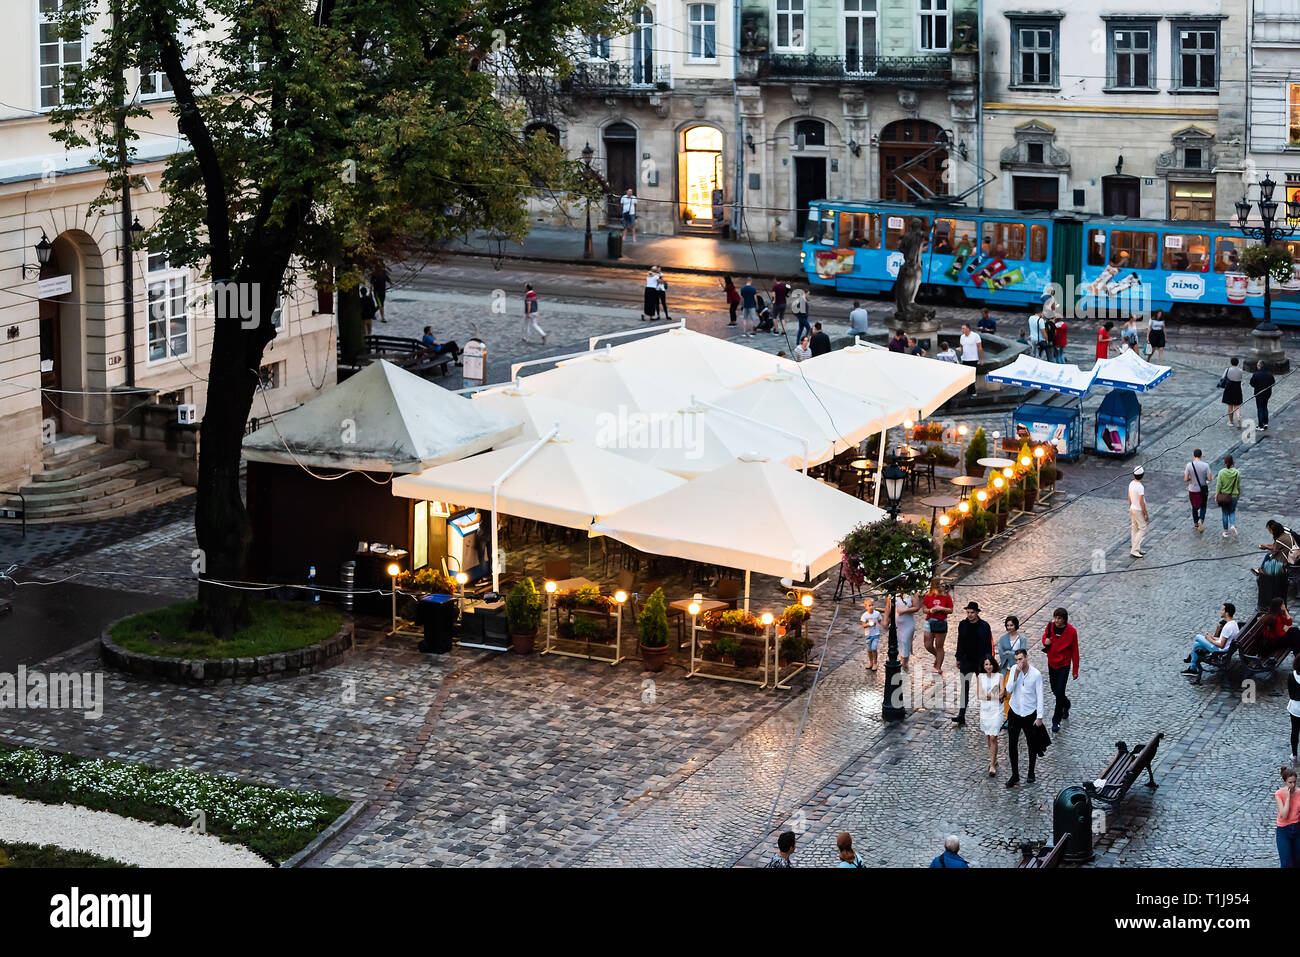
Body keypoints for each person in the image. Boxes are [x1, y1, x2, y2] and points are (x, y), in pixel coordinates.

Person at [1004, 647, 1044, 787]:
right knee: (1012, 744)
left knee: (1031, 744)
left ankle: (1031, 772)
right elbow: (1008, 690)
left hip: (1029, 714)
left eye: (1020, 659)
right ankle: (1015, 775)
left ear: (1026, 658)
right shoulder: (1014, 670)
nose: (1019, 662)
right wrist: (1015, 674)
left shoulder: (1036, 674)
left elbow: (1040, 696)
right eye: (1016, 660)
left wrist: (1039, 717)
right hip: (1015, 712)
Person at [954, 601, 993, 726]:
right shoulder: (963, 624)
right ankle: (961, 715)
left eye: (972, 612)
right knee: (964, 688)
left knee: (983, 688)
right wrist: (958, 658)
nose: (969, 615)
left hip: (980, 661)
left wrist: (988, 661)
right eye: (968, 612)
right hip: (966, 660)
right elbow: (960, 641)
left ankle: (986, 714)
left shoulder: (984, 626)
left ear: (977, 613)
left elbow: (988, 644)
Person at [1040, 607, 1079, 733]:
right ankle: (1066, 704)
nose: (1056, 620)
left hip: (1064, 665)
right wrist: (1045, 642)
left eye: (1059, 618)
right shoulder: (1050, 627)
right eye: (1055, 617)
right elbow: (1045, 639)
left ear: (1064, 619)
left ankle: (1055, 721)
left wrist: (1075, 670)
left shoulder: (1071, 632)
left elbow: (1075, 651)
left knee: (1060, 691)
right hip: (1052, 663)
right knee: (1055, 690)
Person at [1181, 602, 1239, 678]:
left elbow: (1221, 645)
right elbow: (1224, 639)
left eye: (1222, 610)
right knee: (1196, 645)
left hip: (1219, 651)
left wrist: (1209, 639)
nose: (1221, 611)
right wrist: (1212, 637)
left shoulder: (1227, 627)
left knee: (1198, 637)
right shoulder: (1233, 624)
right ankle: (1192, 668)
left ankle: (1192, 660)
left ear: (1227, 613)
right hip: (1226, 649)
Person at [978, 655, 1004, 776]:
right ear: (983, 666)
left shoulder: (1000, 676)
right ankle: (994, 758)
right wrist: (994, 695)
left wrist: (989, 695)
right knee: (989, 737)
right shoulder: (980, 677)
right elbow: (980, 695)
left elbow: (1002, 693)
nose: (988, 666)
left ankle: (992, 764)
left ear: (994, 665)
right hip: (985, 710)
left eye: (990, 664)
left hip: (996, 710)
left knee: (994, 736)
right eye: (986, 664)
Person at [922, 580, 953, 674]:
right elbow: (924, 609)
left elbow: (950, 610)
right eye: (940, 585)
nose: (942, 587)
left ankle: (938, 666)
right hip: (929, 621)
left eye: (943, 585)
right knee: (928, 645)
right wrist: (930, 610)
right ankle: (937, 656)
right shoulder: (928, 595)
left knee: (939, 646)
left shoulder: (947, 597)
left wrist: (941, 609)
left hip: (941, 622)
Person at [1183, 448, 1213, 533]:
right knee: (1203, 505)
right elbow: (1210, 478)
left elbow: (1185, 479)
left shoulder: (1189, 465)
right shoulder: (1206, 465)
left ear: (1193, 456)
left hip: (1192, 489)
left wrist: (1191, 479)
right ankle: (1201, 519)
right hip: (1202, 489)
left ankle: (1196, 523)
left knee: (1194, 506)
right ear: (1201, 456)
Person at [1276, 767, 1300, 869]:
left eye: (1294, 782)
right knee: (1286, 863)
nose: (1293, 785)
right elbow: (1284, 815)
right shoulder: (1279, 794)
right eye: (1290, 782)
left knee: (1298, 861)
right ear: (1285, 782)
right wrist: (1288, 798)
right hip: (1283, 830)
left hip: (1297, 829)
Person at [1213, 453, 1241, 539]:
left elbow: (1219, 486)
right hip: (1234, 496)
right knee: (1232, 512)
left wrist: (1216, 495)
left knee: (1224, 513)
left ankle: (1225, 531)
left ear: (1225, 462)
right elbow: (1238, 485)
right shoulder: (1237, 473)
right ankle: (1232, 525)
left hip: (1224, 496)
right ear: (1233, 462)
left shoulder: (1221, 473)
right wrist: (1238, 494)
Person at [894, 592, 920, 672]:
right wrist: (885, 619)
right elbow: (888, 607)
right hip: (897, 623)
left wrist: (905, 610)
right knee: (899, 643)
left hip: (908, 623)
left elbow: (916, 607)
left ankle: (904, 663)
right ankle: (902, 662)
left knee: (905, 642)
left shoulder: (912, 593)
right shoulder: (894, 592)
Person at [1128, 465, 1149, 558]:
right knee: (1143, 528)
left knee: (1134, 528)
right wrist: (1145, 513)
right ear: (1142, 475)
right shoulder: (1140, 487)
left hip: (1132, 508)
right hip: (1138, 510)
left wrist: (1131, 506)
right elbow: (1141, 502)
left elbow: (1129, 496)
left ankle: (1136, 547)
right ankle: (1134, 549)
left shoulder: (1131, 483)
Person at [959, 323, 983, 395]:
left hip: (973, 359)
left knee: (972, 376)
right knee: (967, 376)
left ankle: (972, 392)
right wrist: (960, 349)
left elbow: (980, 348)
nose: (962, 330)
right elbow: (961, 346)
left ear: (968, 329)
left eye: (963, 328)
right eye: (962, 328)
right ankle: (970, 391)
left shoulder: (975, 336)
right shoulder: (962, 337)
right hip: (965, 359)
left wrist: (981, 359)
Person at [1251, 361, 1276, 431]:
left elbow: (1252, 383)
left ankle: (1260, 425)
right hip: (1267, 393)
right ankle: (1265, 423)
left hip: (1259, 393)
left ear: (1259, 366)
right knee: (1265, 407)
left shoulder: (1256, 374)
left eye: (1257, 366)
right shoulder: (1269, 373)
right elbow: (1273, 382)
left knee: (1260, 408)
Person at [861, 596, 884, 672]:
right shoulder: (865, 615)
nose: (871, 607)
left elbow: (880, 621)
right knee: (869, 649)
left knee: (874, 648)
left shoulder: (877, 614)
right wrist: (869, 624)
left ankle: (875, 662)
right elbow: (863, 625)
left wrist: (884, 624)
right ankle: (870, 662)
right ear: (866, 607)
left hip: (876, 634)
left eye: (872, 605)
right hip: (868, 635)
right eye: (869, 605)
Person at [1222, 357, 1244, 427]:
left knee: (1230, 406)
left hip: (1229, 389)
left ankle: (1231, 422)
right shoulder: (1240, 371)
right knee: (1237, 406)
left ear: (1231, 362)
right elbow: (1240, 379)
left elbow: (1223, 378)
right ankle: (1239, 419)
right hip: (1237, 389)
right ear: (1238, 363)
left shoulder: (1228, 370)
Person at [1287, 663, 1300, 769]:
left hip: (1295, 708)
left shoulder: (1292, 675)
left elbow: (1291, 694)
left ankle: (1294, 754)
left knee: (1295, 730)